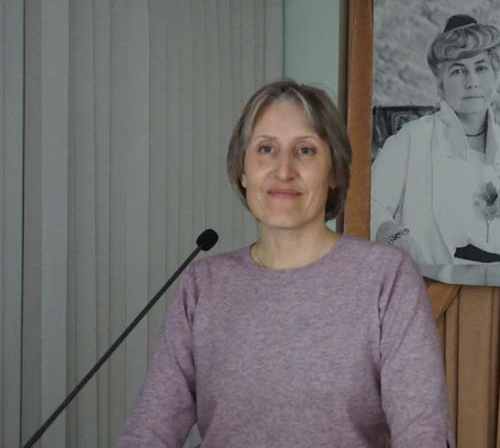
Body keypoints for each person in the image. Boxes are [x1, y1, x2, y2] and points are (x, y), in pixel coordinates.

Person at [117, 80, 454, 447]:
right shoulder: (204, 284)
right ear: (243, 171)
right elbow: (150, 429)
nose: (283, 170)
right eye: (266, 149)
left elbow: (424, 432)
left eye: (305, 150)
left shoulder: (386, 277)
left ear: (334, 172)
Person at [371, 14, 500, 265]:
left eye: (481, 68)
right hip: (431, 283)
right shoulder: (410, 141)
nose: (472, 82)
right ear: (440, 83)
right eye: (458, 71)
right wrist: (391, 233)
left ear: (496, 76)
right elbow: (369, 205)